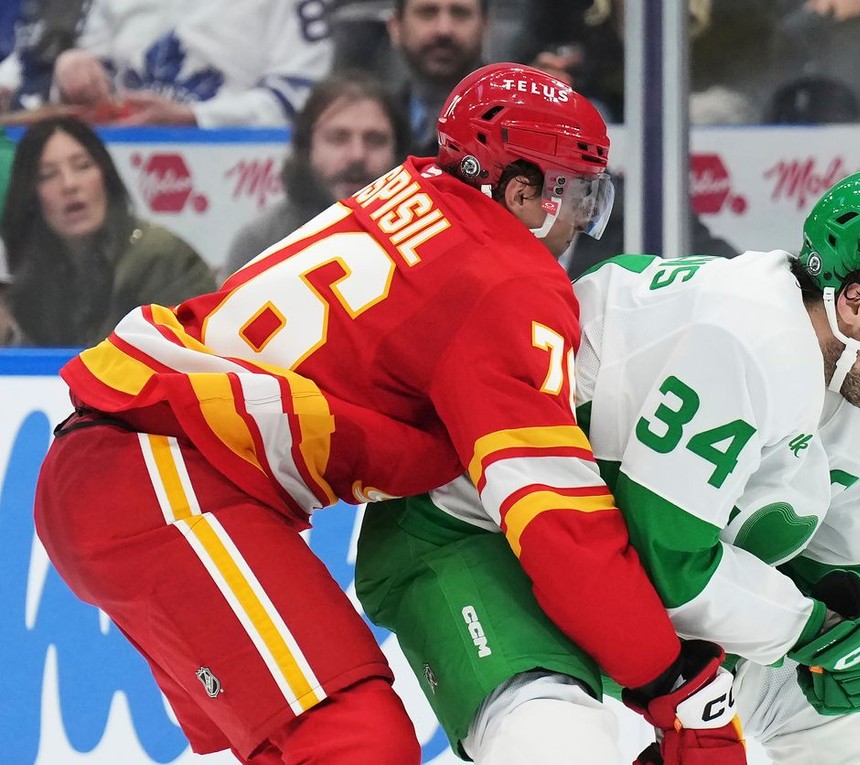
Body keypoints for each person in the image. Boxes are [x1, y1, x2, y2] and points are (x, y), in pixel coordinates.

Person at [34, 63, 737, 765]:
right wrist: (663, 671)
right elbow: (557, 520)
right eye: (577, 193)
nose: (582, 220)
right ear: (522, 191)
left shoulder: (415, 188)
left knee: (307, 745)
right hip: (161, 476)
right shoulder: (507, 280)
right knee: (356, 741)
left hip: (125, 468)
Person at [357, 169, 860, 765]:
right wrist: (818, 629)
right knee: (560, 744)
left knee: (847, 714)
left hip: (617, 572)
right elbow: (674, 564)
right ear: (857, 303)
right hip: (473, 538)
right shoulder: (747, 338)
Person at [0, 115, 213, 347]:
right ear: (30, 196)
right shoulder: (26, 274)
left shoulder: (160, 256)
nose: (69, 184)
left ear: (106, 177)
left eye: (83, 166)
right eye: (47, 175)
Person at [221, 70, 411, 279]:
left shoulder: (425, 235)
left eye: (375, 140)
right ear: (306, 147)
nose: (357, 155)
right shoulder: (262, 242)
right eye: (338, 138)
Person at [50, 0, 332, 126]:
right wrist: (72, 70)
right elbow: (93, 83)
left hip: (242, 173)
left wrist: (195, 116)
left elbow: (303, 102)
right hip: (122, 163)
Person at [388, 0, 487, 156]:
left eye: (460, 13)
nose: (444, 30)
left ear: (485, 27)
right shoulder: (372, 128)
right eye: (427, 12)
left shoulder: (516, 119)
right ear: (395, 27)